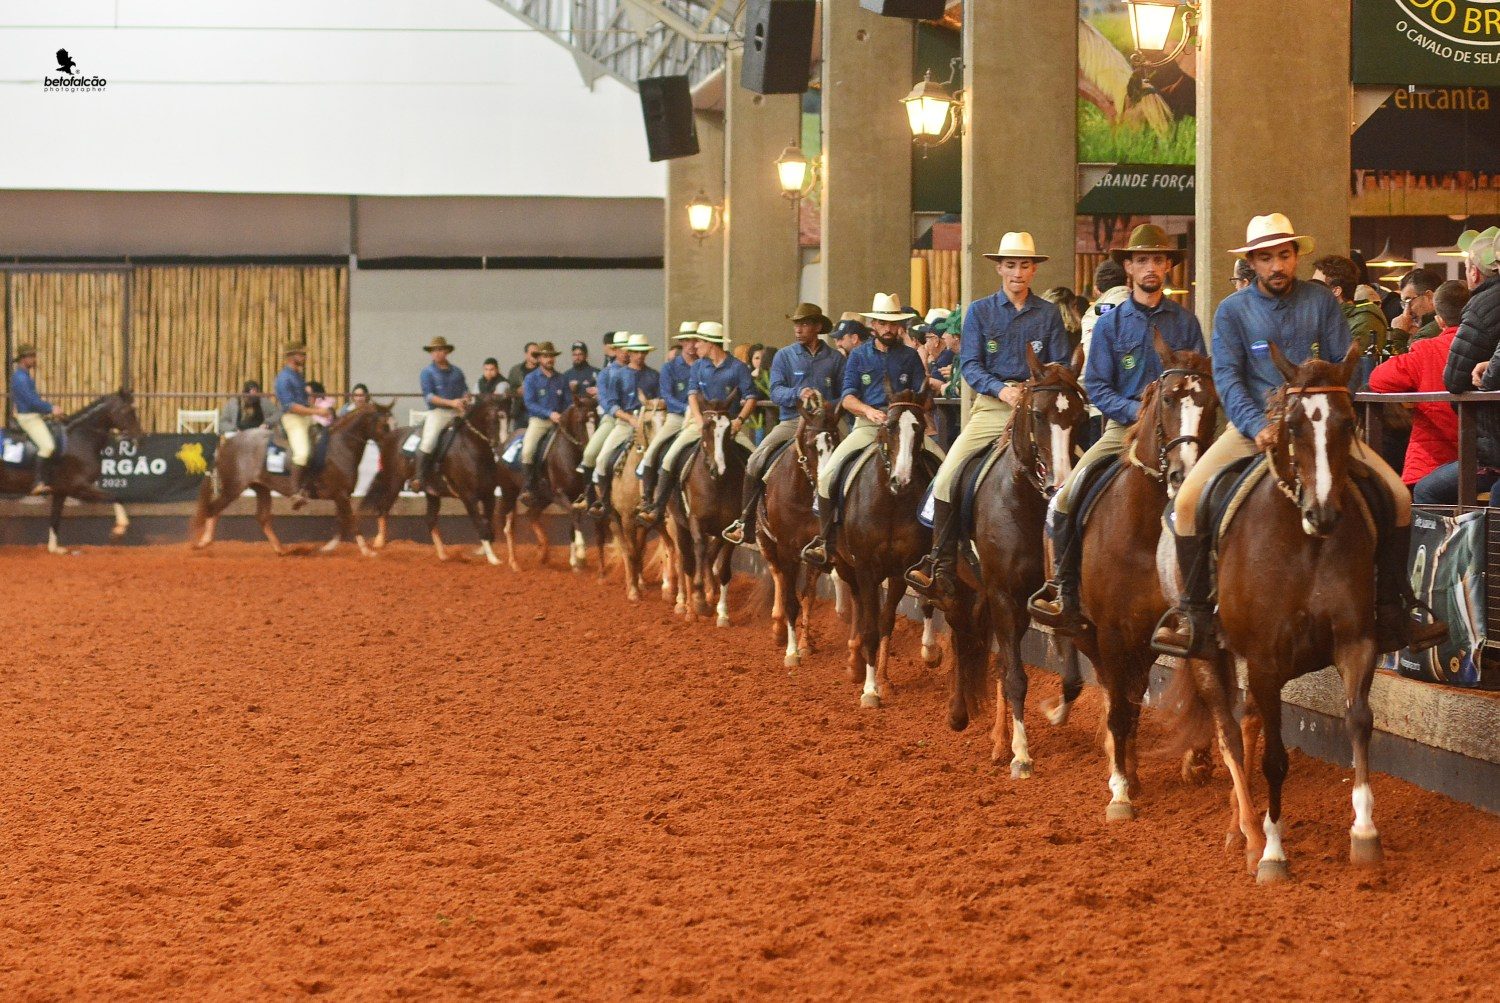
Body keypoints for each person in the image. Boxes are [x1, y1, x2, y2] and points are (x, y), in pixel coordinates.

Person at [1152, 212, 1446, 658]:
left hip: (1319, 429)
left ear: (1295, 257)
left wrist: (1330, 407)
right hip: (1255, 429)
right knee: (1189, 503)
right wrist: (1257, 425)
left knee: (1399, 498)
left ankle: (1391, 608)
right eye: (1266, 257)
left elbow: (1343, 365)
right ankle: (1195, 616)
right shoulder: (1232, 311)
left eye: (1284, 256)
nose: (1276, 266)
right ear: (1252, 261)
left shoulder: (1321, 302)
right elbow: (1228, 380)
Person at [1030, 224, 1205, 632]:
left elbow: (1199, 380)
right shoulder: (1110, 325)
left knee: (1212, 500)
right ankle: (1064, 589)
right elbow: (1096, 387)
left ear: (1167, 268)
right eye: (1141, 260)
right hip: (1120, 432)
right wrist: (1139, 415)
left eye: (1158, 260)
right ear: (1128, 267)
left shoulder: (1186, 323)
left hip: (1180, 437)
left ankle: (1203, 603)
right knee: (1065, 499)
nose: (1150, 268)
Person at [906, 233, 1071, 605]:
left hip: (1039, 410)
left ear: (1033, 270)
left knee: (1071, 474)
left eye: (1024, 265)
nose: (1017, 272)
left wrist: (1038, 389)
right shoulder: (979, 311)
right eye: (1010, 265)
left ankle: (1069, 572)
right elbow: (971, 366)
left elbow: (1060, 363)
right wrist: (1003, 390)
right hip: (993, 406)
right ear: (999, 268)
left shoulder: (1048, 314)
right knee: (948, 474)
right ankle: (941, 563)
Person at [801, 293, 944, 568]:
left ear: (900, 325)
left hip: (905, 427)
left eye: (893, 323)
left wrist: (921, 401)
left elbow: (923, 396)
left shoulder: (911, 357)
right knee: (829, 474)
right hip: (869, 425)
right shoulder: (858, 356)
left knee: (945, 469)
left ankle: (942, 546)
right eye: (882, 323)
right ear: (873, 325)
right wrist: (868, 411)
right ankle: (826, 540)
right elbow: (848, 397)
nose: (888, 328)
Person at [723, 303, 841, 546]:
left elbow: (846, 393)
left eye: (805, 324)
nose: (798, 329)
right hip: (791, 421)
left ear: (818, 327)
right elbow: (776, 392)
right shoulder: (784, 356)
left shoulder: (835, 358)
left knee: (851, 464)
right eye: (796, 324)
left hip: (827, 425)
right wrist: (798, 393)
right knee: (755, 461)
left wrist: (830, 406)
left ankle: (846, 523)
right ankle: (745, 522)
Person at [635, 321, 757, 527]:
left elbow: (751, 397)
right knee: (669, 458)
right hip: (700, 423)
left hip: (728, 426)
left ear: (711, 344)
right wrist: (700, 422)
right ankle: (656, 507)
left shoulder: (738, 367)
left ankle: (754, 515)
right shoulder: (699, 367)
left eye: (699, 341)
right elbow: (692, 396)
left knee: (755, 460)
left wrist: (739, 420)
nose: (695, 346)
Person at [1370, 281, 1471, 489]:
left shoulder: (1426, 351)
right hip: (1484, 462)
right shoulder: (1492, 350)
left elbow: (1377, 379)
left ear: (1439, 320)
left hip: (1429, 465)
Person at [1427, 227, 1500, 504]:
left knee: (1427, 491)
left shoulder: (1481, 306)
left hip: (1492, 451)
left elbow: (1455, 380)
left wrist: (1488, 373)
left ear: (1474, 273)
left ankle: (1465, 549)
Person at [578, 333, 661, 516]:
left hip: (649, 423)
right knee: (600, 459)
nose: (640, 356)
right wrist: (629, 418)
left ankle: (664, 502)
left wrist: (653, 408)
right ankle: (601, 500)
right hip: (623, 422)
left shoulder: (653, 375)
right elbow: (610, 402)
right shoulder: (615, 374)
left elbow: (660, 399)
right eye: (635, 352)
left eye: (643, 352)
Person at [637, 322, 701, 504]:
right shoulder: (669, 367)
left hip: (701, 418)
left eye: (695, 340)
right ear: (681, 342)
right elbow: (666, 395)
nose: (691, 344)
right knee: (651, 453)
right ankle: (648, 500)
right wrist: (686, 408)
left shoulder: (704, 365)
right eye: (687, 340)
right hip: (677, 417)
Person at [274, 343, 331, 509]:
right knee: (302, 452)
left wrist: (316, 410)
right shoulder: (283, 378)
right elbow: (290, 405)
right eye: (302, 355)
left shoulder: (298, 375)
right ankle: (294, 492)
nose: (304, 358)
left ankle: (312, 483)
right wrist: (317, 412)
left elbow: (303, 399)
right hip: (293, 418)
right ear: (292, 356)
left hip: (305, 417)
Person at [410, 335, 469, 493]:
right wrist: (451, 403)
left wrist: (465, 399)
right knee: (428, 441)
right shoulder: (427, 372)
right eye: (434, 350)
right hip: (439, 412)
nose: (436, 353)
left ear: (446, 352)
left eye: (440, 350)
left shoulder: (457, 371)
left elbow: (464, 389)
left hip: (458, 410)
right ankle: (419, 477)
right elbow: (429, 396)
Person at [517, 343, 571, 507]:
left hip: (560, 421)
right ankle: (528, 486)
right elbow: (529, 403)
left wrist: (564, 415)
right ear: (539, 358)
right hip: (539, 421)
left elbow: (568, 402)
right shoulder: (531, 378)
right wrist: (549, 413)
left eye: (551, 356)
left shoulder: (562, 378)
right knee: (528, 450)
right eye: (546, 356)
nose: (549, 359)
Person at [576, 331, 633, 483]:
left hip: (636, 417)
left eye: (629, 349)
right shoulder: (605, 373)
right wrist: (618, 413)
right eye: (622, 349)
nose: (626, 353)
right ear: (615, 350)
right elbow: (604, 400)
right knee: (590, 453)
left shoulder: (638, 371)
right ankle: (590, 495)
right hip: (613, 418)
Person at [9, 344, 65, 491]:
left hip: (33, 415)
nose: (34, 360)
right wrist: (51, 408)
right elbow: (31, 402)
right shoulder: (20, 378)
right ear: (23, 359)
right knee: (48, 446)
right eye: (31, 357)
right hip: (28, 418)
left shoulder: (24, 375)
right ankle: (37, 482)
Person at [1313, 254, 1390, 357]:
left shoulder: (1366, 320)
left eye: (1317, 285)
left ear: (1336, 291)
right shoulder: (1326, 317)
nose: (1312, 290)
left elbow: (1351, 365)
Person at [1392, 267, 1443, 348]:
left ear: (1430, 297)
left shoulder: (1427, 335)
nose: (1406, 311)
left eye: (1409, 301)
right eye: (1404, 304)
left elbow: (1400, 360)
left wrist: (1398, 333)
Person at [506, 342, 540, 423]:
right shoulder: (515, 370)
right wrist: (517, 391)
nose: (536, 355)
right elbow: (508, 391)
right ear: (526, 354)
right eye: (533, 353)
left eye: (538, 353)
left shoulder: (544, 370)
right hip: (519, 413)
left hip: (538, 413)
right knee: (518, 435)